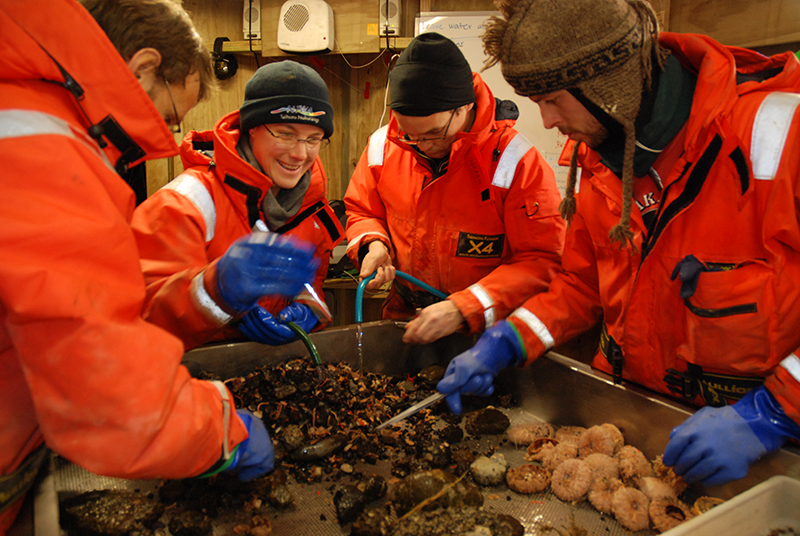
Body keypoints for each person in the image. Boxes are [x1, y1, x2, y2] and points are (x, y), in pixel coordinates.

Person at [437, 0, 800, 488]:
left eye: (552, 99)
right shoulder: (602, 157)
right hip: (635, 437)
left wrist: (771, 415)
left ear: (608, 85)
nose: (545, 121)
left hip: (766, 454)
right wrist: (510, 339)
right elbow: (583, 285)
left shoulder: (783, 134)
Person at [0, 0, 317, 531]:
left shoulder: (26, 114)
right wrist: (222, 431)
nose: (161, 138)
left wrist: (306, 306)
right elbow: (104, 378)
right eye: (167, 116)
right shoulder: (44, 149)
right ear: (143, 68)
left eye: (312, 140)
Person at [344, 32, 565, 345]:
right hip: (405, 321)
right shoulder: (383, 145)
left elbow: (544, 261)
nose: (423, 145)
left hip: (488, 336)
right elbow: (361, 210)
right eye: (410, 134)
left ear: (465, 107)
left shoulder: (516, 162)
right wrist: (372, 244)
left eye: (435, 133)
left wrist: (465, 307)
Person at [132, 60, 343, 350]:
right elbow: (138, 314)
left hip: (269, 373)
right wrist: (215, 291)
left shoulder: (311, 208)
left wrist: (309, 308)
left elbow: (312, 280)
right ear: (252, 128)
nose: (300, 153)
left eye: (314, 139)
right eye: (285, 134)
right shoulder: (183, 203)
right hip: (191, 377)